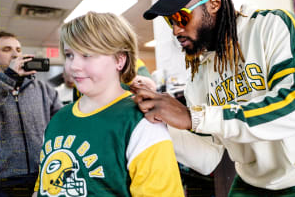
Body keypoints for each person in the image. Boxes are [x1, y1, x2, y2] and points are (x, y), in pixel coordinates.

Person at [132, 0, 295, 196]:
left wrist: (195, 116)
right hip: (253, 181)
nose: (175, 30)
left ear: (214, 3)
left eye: (181, 17)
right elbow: (209, 157)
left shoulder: (272, 26)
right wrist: (157, 123)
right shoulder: (197, 75)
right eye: (169, 21)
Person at [32, 12, 184, 197]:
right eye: (70, 55)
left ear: (119, 60)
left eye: (87, 55)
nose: (74, 66)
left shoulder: (141, 121)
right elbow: (43, 186)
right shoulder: (58, 119)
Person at [0, 31, 63, 197]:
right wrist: (8, 78)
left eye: (19, 50)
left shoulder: (44, 89)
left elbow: (62, 124)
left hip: (42, 176)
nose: (15, 54)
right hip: (3, 181)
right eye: (6, 49)